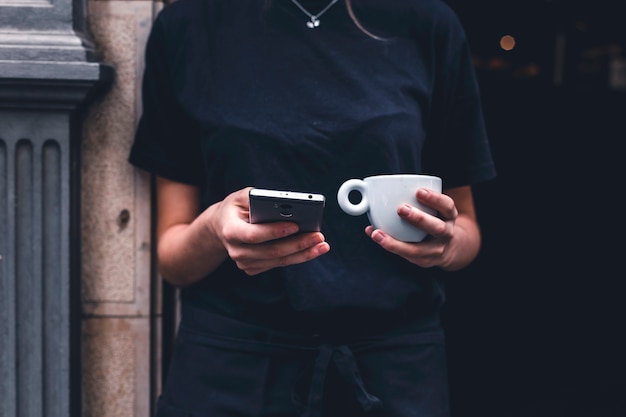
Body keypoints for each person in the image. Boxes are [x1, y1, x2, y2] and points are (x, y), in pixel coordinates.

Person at [129, 0, 496, 416]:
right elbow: (173, 259)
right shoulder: (189, 25)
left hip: (392, 372)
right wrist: (214, 228)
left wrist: (448, 245)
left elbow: (467, 229)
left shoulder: (427, 22)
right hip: (233, 369)